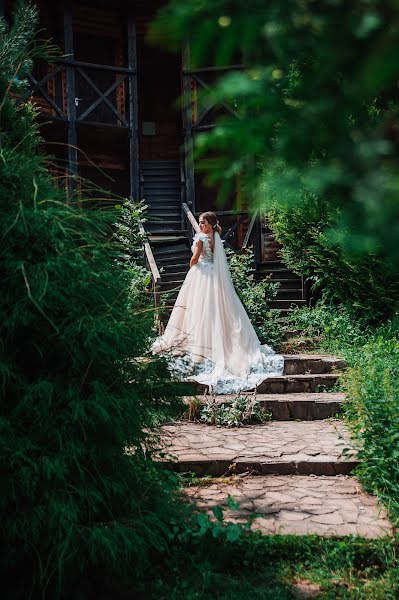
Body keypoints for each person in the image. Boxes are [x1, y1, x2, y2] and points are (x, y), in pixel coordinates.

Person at [151, 211, 284, 394]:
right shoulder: (216, 236)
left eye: (203, 222)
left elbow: (194, 260)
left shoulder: (201, 239)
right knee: (214, 308)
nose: (200, 225)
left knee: (199, 308)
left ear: (210, 224)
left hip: (202, 275)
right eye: (199, 222)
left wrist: (192, 265)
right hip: (214, 274)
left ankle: (201, 344)